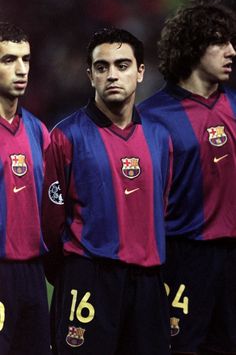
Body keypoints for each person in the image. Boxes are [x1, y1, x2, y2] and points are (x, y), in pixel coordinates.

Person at [42, 27, 172, 355]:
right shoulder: (66, 136)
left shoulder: (159, 138)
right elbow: (50, 220)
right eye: (102, 67)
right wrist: (73, 272)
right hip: (88, 276)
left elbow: (163, 207)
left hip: (148, 281)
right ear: (90, 75)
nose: (112, 75)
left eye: (123, 65)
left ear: (141, 72)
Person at [138, 0, 236, 355]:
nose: (231, 51)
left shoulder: (235, 106)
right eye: (220, 42)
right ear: (194, 48)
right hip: (181, 257)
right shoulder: (151, 117)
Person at [0, 22, 51, 355]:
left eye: (26, 59)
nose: (21, 70)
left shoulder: (38, 131)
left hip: (34, 274)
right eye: (8, 60)